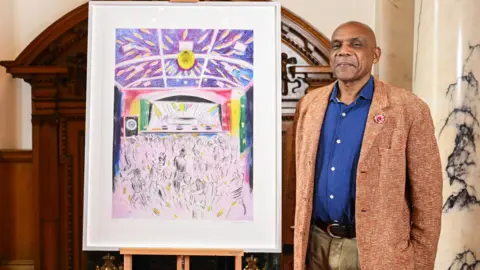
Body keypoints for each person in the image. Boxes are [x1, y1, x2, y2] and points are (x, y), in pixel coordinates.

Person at [291, 21, 443, 270]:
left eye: (356, 44)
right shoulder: (310, 105)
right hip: (316, 245)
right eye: (337, 45)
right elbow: (295, 184)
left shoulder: (408, 108)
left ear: (376, 54)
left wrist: (421, 261)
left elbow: (428, 197)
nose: (343, 51)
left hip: (377, 252)